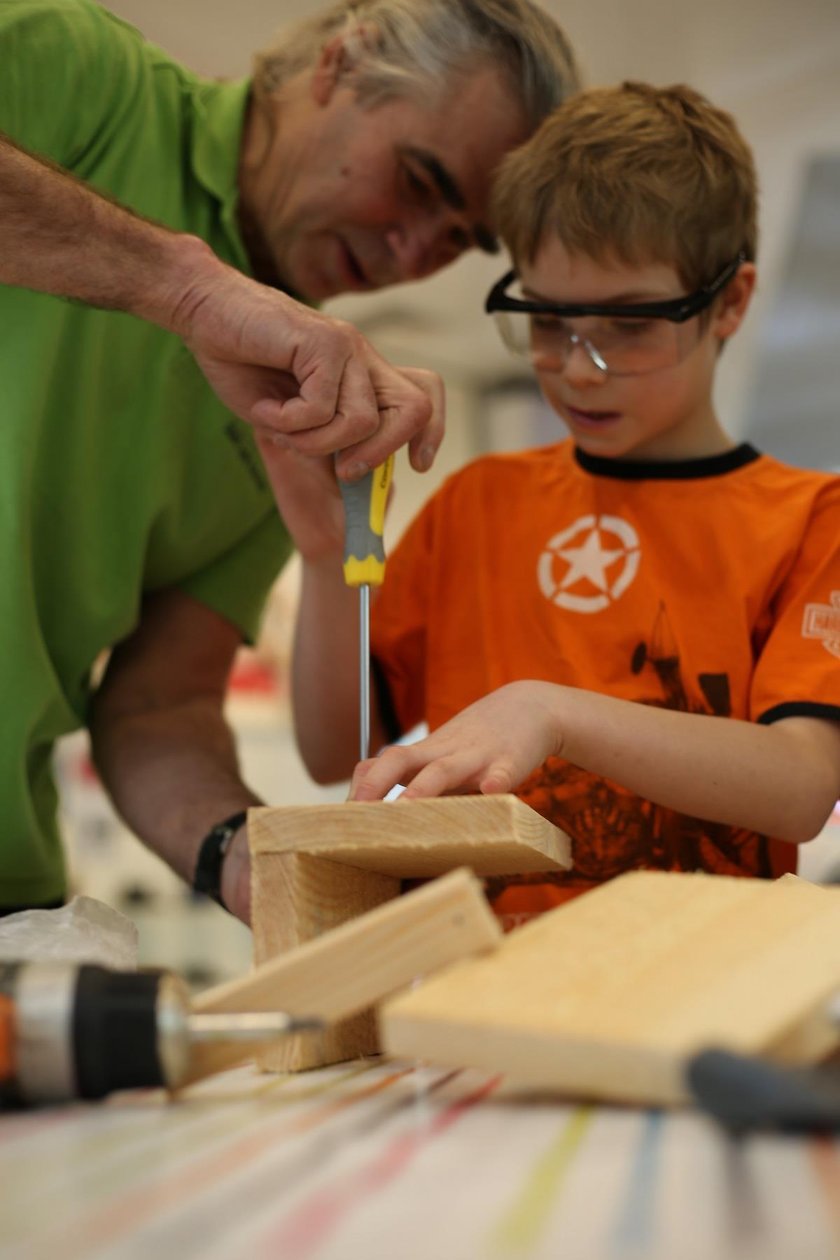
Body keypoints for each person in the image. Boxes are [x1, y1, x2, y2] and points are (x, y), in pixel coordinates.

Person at [0, 0, 579, 920]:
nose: (417, 252)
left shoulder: (295, 404)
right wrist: (180, 285)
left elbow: (158, 710)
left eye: (460, 239)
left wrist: (256, 863)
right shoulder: (81, 78)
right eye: (421, 182)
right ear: (342, 62)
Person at [281, 81, 840, 928]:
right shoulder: (479, 504)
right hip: (480, 993)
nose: (580, 367)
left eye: (629, 325)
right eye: (548, 322)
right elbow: (334, 752)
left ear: (729, 301)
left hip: (699, 994)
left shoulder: (811, 519)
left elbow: (801, 788)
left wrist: (553, 710)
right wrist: (329, 555)